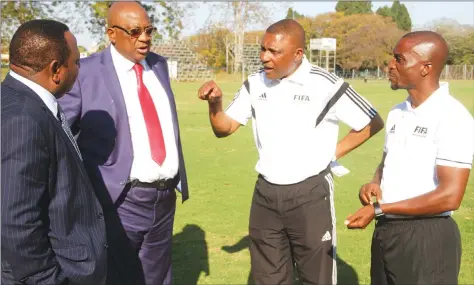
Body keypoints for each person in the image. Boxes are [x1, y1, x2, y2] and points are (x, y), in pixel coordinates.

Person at [198, 19, 384, 285]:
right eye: (263, 49)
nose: (264, 57)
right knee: (267, 279)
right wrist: (215, 104)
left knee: (316, 278)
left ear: (298, 54)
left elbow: (372, 121)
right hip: (265, 194)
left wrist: (330, 154)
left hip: (310, 194)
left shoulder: (324, 83)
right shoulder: (255, 83)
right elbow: (224, 128)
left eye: (274, 52)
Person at [58, 2, 189, 285]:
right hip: (118, 200)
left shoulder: (159, 66)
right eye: (134, 31)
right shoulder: (86, 72)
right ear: (111, 34)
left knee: (157, 278)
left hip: (164, 199)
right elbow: (59, 135)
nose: (144, 37)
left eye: (149, 30)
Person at [345, 31, 474, 285]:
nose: (389, 65)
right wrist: (375, 183)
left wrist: (380, 208)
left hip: (427, 237)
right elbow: (387, 161)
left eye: (399, 59)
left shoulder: (452, 117)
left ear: (426, 68)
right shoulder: (397, 113)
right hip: (387, 231)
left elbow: (450, 196)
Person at [1, 19, 107, 285]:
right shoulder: (24, 119)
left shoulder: (17, 99)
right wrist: (48, 279)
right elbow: (16, 222)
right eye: (77, 62)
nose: (79, 69)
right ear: (56, 69)